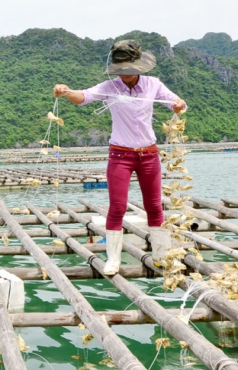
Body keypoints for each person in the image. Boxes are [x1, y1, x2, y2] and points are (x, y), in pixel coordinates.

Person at [53, 40, 187, 275]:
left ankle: (160, 254)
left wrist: (178, 105)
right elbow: (84, 97)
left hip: (149, 154)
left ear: (139, 67)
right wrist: (65, 92)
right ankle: (113, 259)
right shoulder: (110, 87)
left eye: (128, 70)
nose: (124, 75)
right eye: (120, 71)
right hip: (120, 154)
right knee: (117, 207)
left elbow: (176, 104)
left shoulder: (153, 84)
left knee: (154, 206)